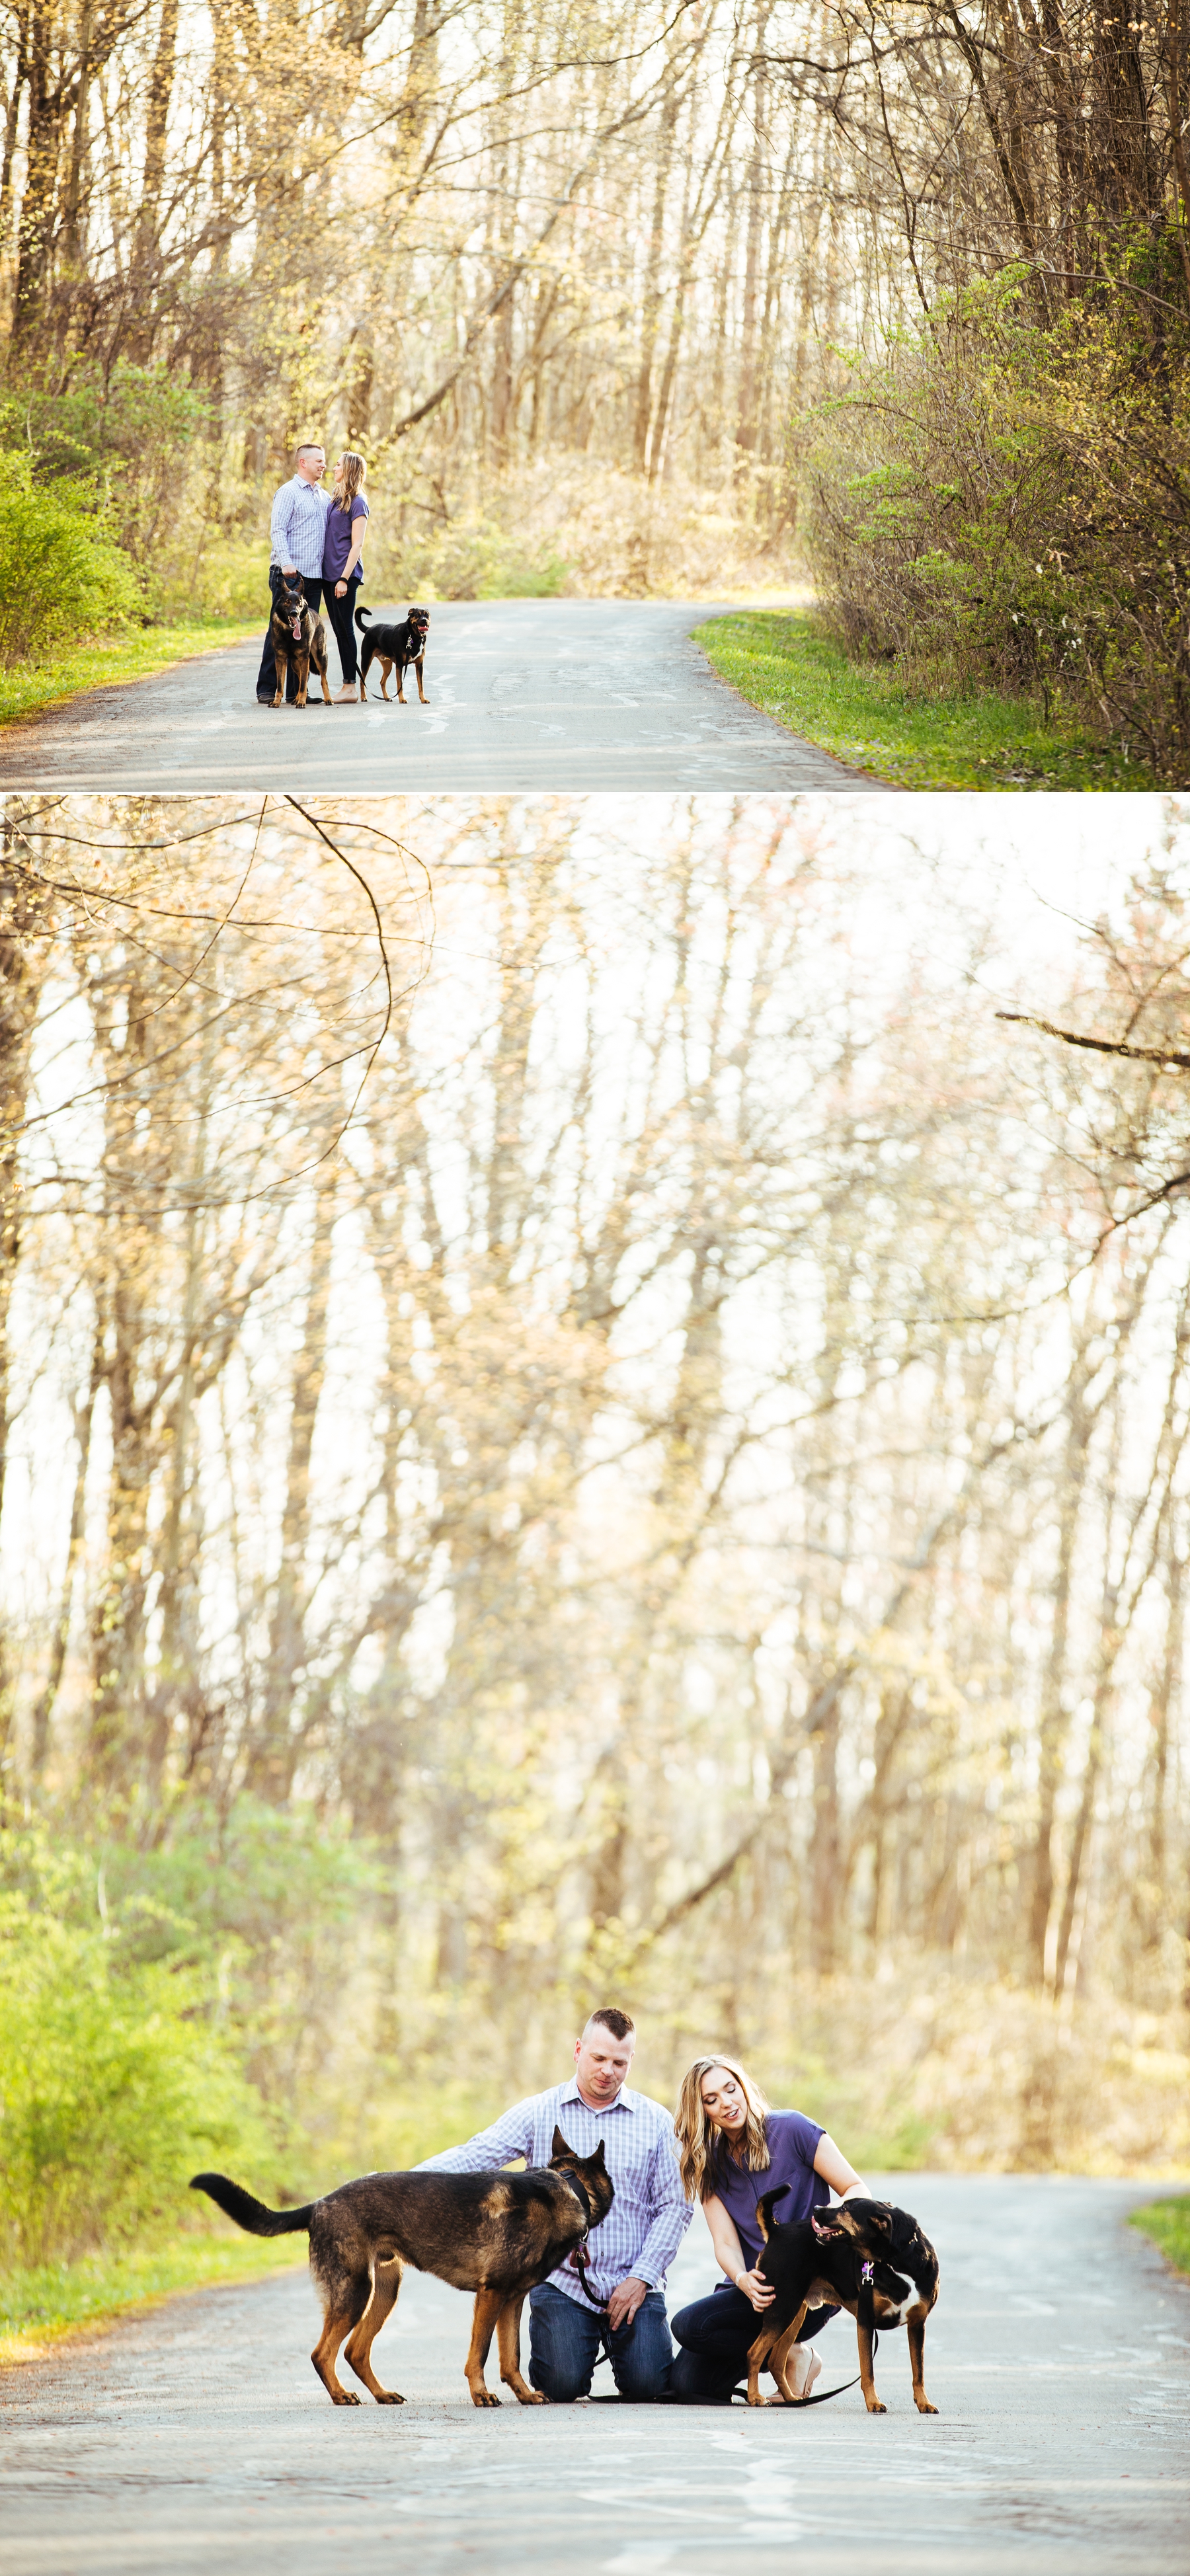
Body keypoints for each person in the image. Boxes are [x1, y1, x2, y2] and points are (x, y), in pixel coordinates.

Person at [416, 2006, 691, 2401]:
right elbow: (476, 2156)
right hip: (560, 2281)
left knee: (649, 2387)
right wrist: (402, 2183)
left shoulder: (657, 2122)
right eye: (598, 2058)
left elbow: (675, 2207)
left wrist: (642, 2278)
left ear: (632, 2061)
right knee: (559, 2387)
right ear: (578, 2051)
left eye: (619, 2062)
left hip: (633, 2283)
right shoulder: (539, 2111)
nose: (607, 2071)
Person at [670, 2054, 871, 2403]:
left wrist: (822, 2231)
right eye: (711, 2100)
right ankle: (789, 2354)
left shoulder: (793, 2129)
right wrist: (742, 2280)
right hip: (755, 2287)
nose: (727, 2103)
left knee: (692, 2329)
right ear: (701, 2111)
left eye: (730, 2089)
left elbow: (856, 2190)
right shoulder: (708, 2164)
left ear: (743, 2088)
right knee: (688, 2382)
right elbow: (726, 2243)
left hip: (810, 2285)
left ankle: (790, 2350)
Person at [256, 442, 331, 706]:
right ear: (303, 463)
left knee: (304, 633)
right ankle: (267, 688)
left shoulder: (324, 497)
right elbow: (277, 530)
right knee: (279, 631)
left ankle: (297, 692)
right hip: (288, 573)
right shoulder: (288, 492)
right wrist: (286, 563)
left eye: (324, 461)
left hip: (314, 577)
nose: (324, 465)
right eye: (319, 461)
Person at [321, 451, 370, 703]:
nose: (334, 468)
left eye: (338, 465)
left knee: (346, 630)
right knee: (339, 630)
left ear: (349, 470)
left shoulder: (359, 502)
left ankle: (350, 687)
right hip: (329, 575)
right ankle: (348, 686)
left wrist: (343, 578)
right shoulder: (336, 499)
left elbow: (357, 545)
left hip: (344, 576)